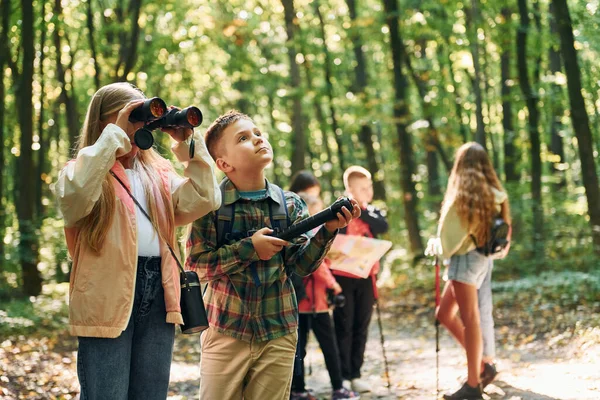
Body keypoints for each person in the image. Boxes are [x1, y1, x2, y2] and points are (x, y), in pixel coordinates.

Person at [54, 82, 221, 399]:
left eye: (145, 118)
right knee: (108, 393)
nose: (141, 126)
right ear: (106, 122)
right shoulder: (82, 171)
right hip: (106, 294)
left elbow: (206, 198)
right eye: (133, 116)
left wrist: (187, 146)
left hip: (159, 292)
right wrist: (114, 139)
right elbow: (74, 200)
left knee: (150, 394)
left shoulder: (158, 175)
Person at [185, 110, 361, 400]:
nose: (256, 139)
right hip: (226, 333)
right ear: (224, 163)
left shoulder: (290, 204)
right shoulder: (211, 205)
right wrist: (248, 249)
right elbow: (196, 266)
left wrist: (329, 229)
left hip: (278, 333)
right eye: (243, 138)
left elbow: (302, 265)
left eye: (257, 133)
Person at [433, 142, 510, 399]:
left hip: (464, 261)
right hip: (482, 259)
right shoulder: (496, 195)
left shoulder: (462, 199)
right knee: (444, 313)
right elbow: (505, 233)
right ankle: (482, 366)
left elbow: (446, 242)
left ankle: (473, 384)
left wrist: (437, 248)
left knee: (470, 319)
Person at [290, 192, 360, 400]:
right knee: (305, 349)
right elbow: (317, 268)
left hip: (316, 302)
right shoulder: (306, 235)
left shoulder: (321, 234)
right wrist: (334, 285)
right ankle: (305, 389)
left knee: (319, 347)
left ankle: (326, 387)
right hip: (306, 303)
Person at [332, 166, 389, 393]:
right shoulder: (339, 211)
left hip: (367, 277)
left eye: (370, 187)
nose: (369, 191)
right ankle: (343, 375)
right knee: (344, 325)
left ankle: (356, 373)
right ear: (350, 188)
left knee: (361, 325)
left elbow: (383, 226)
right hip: (343, 277)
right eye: (363, 188)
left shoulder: (372, 212)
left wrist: (362, 209)